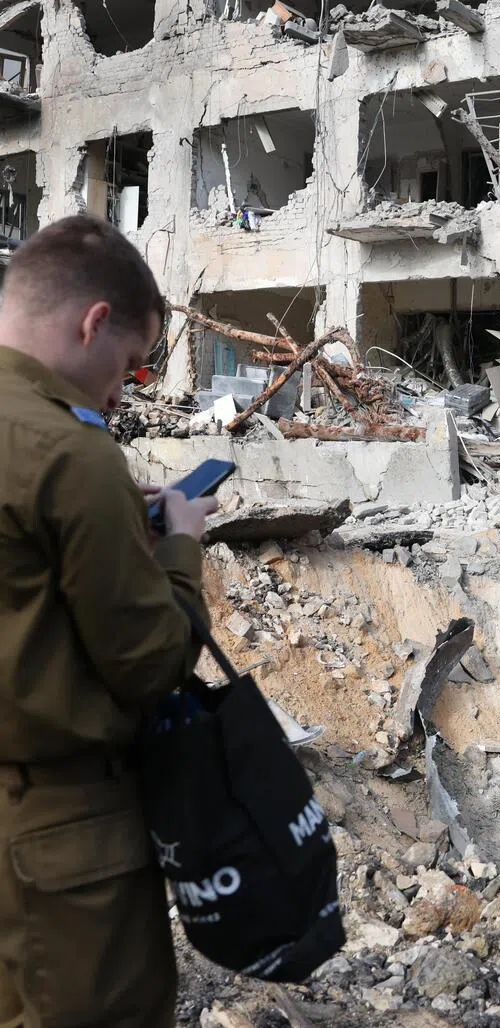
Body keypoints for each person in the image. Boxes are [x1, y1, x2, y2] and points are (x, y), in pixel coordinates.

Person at [0, 216, 218, 1028]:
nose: (123, 390)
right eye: (128, 362)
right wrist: (179, 551)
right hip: (64, 841)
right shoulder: (71, 454)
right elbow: (151, 660)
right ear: (93, 321)